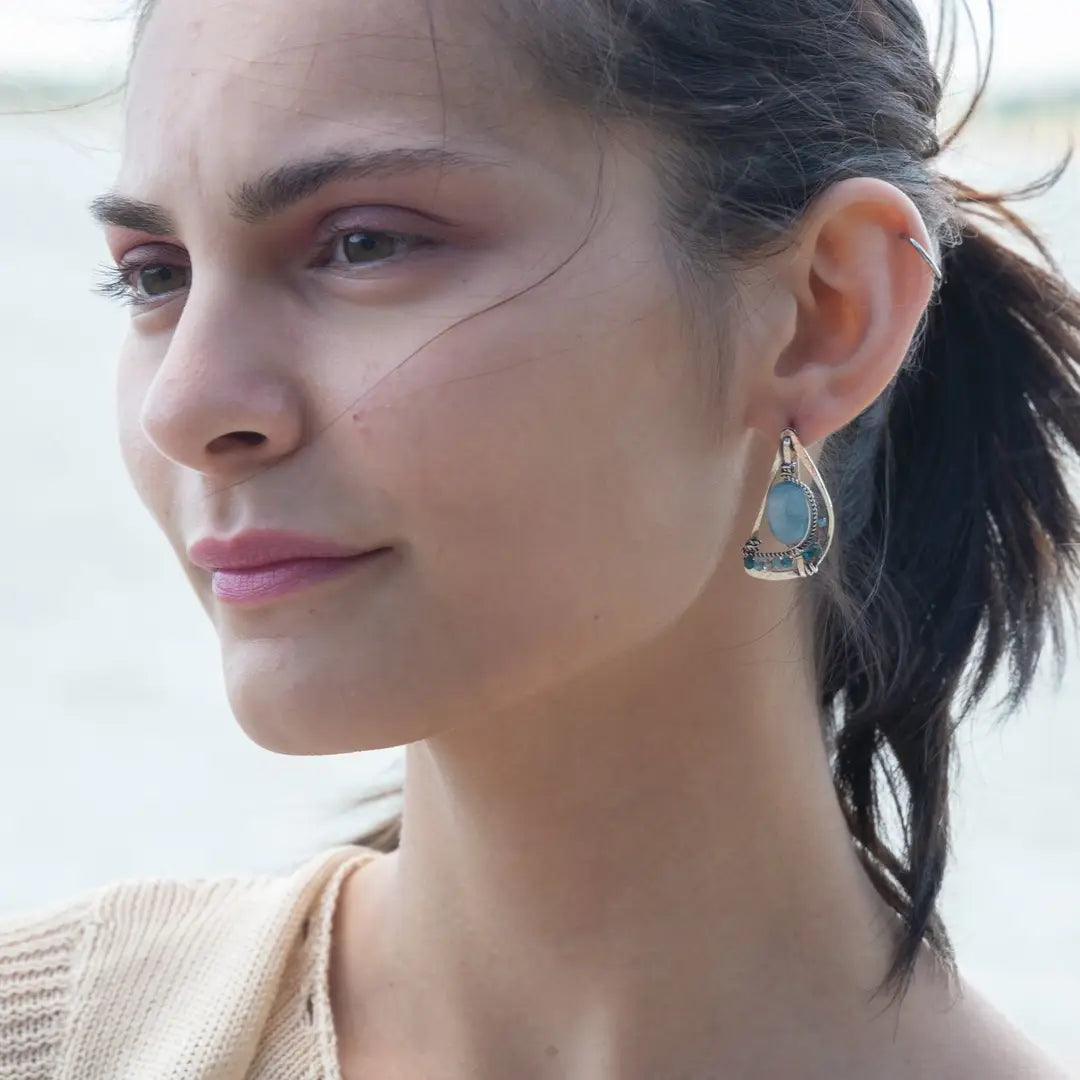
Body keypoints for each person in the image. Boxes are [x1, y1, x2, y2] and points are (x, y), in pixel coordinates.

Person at [2, 0, 1078, 1076]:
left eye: (364, 244)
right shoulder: (55, 1040)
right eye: (156, 275)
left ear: (822, 313)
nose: (184, 408)